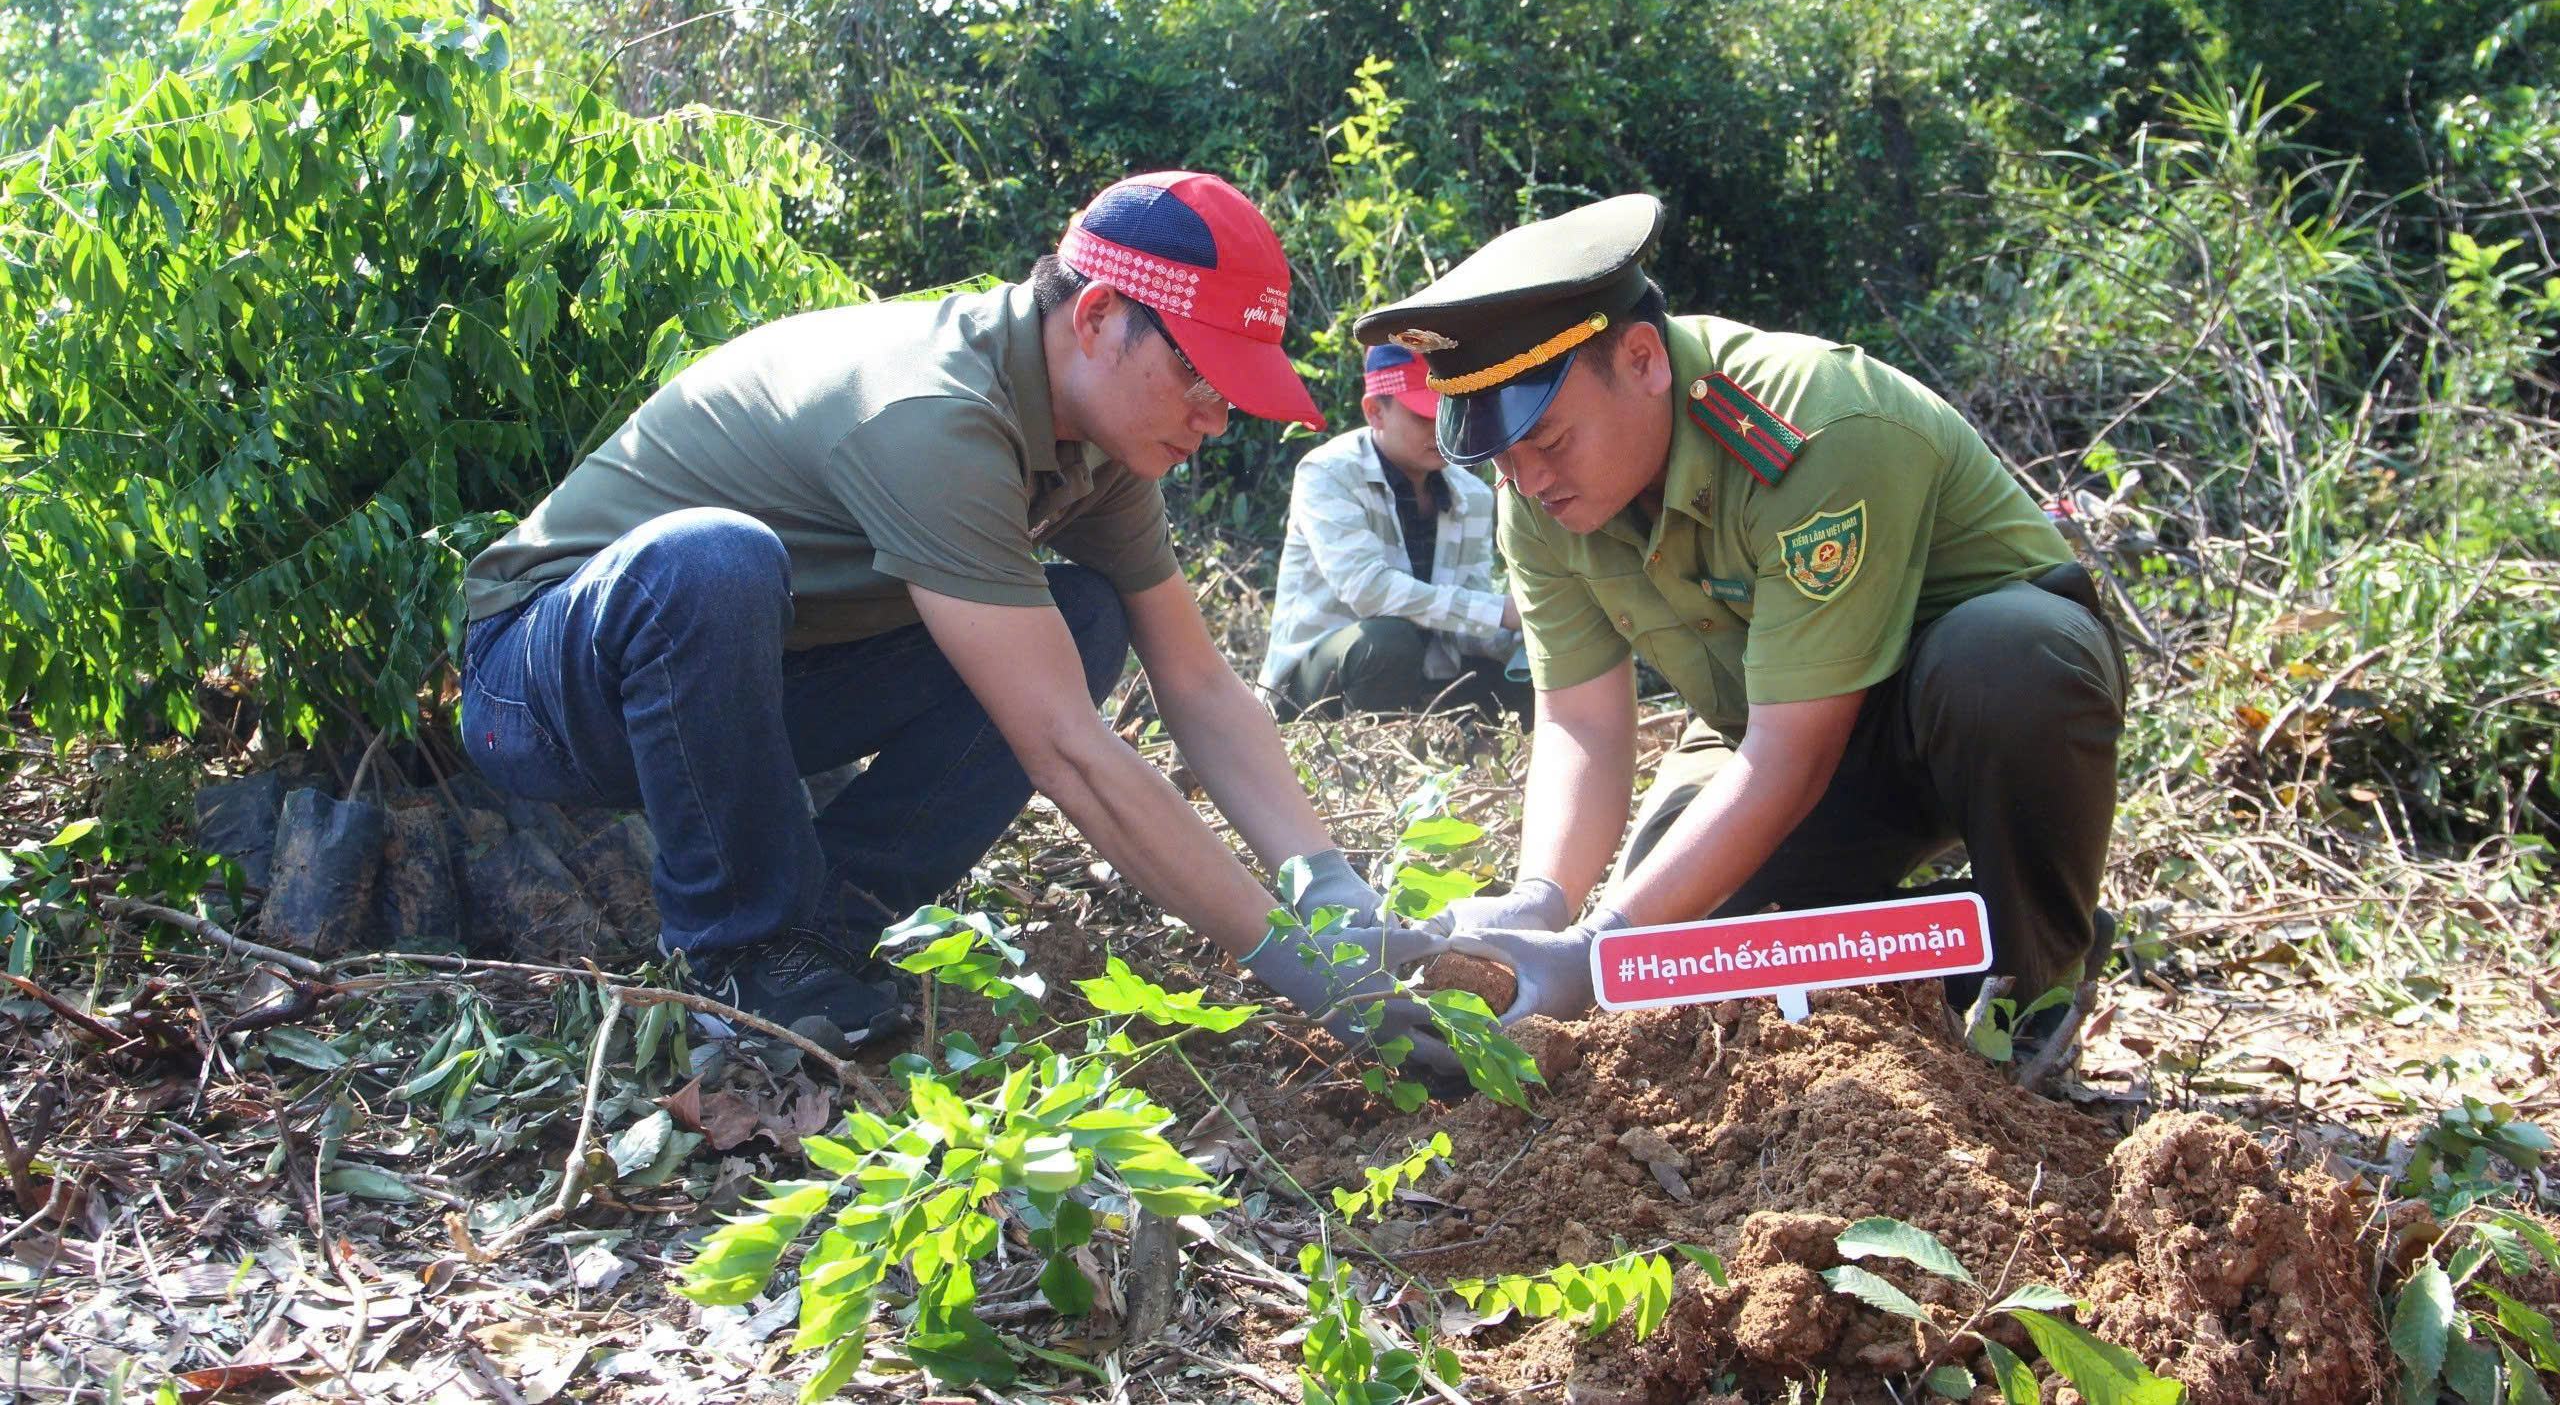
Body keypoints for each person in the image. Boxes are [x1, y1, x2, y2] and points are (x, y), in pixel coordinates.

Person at [461, 171, 1445, 1065]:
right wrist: (1303, 973)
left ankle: (823, 928)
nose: (1216, 418)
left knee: (1086, 616)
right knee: (713, 560)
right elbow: (1065, 748)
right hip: (542, 688)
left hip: (748, 689)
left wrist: (1321, 879)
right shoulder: (932, 412)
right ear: (1099, 316)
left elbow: (1195, 682)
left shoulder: (1095, 445)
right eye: (1201, 375)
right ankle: (739, 964)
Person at [1352, 193, 2126, 1084]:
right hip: (1768, 721)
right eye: (1501, 460)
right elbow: (1582, 722)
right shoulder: (1538, 496)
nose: (1528, 483)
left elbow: (1794, 751)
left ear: (1642, 359)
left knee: (2007, 655)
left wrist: (1603, 942)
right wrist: (1546, 902)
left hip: (1955, 713)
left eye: (1548, 439)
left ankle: (2036, 977)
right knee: (1682, 953)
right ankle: (1960, 944)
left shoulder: (1816, 426)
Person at [1258, 343, 1529, 725]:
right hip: (1313, 686)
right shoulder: (1329, 473)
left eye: (1447, 414)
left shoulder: (1472, 495)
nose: (1440, 431)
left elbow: (1468, 621)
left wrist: (1528, 628)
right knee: (1386, 642)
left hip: (1426, 675)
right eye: (1423, 416)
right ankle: (1365, 765)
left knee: (1529, 661)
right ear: (1375, 412)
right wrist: (1500, 611)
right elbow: (1367, 590)